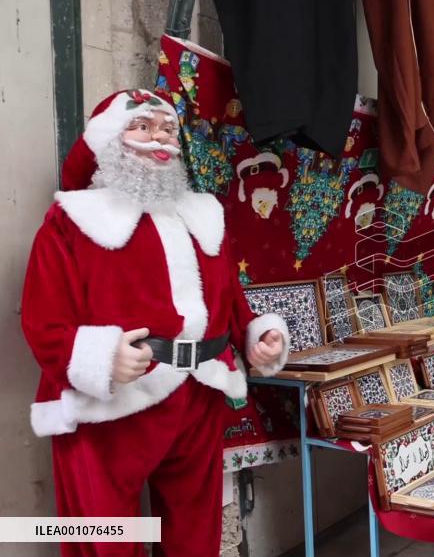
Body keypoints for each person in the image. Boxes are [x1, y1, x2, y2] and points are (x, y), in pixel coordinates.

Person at [21, 89, 291, 556]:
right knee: (104, 537)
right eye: (142, 126)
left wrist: (257, 335)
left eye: (167, 129)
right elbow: (43, 320)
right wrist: (100, 358)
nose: (159, 138)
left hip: (198, 394)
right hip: (109, 406)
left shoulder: (205, 216)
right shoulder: (72, 220)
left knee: (194, 534)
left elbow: (230, 301)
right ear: (109, 139)